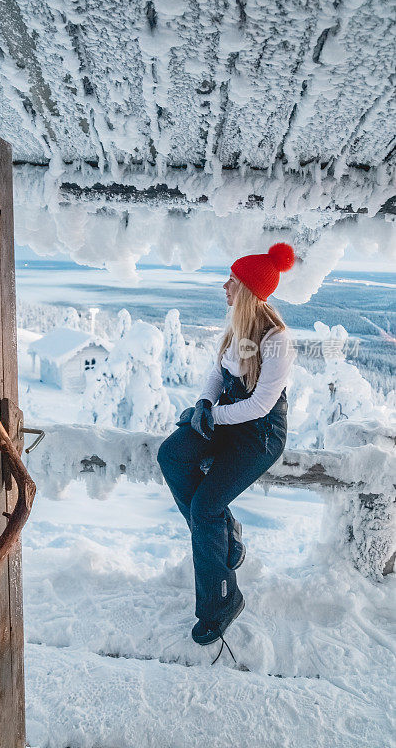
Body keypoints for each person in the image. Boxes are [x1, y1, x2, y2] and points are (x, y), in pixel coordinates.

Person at [157, 242, 297, 649]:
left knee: (205, 507)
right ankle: (226, 535)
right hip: (229, 418)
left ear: (248, 290)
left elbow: (260, 406)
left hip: (260, 435)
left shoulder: (276, 340)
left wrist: (211, 417)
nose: (225, 286)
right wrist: (204, 403)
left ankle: (222, 601)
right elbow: (216, 375)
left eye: (232, 281)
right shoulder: (237, 329)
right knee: (172, 455)